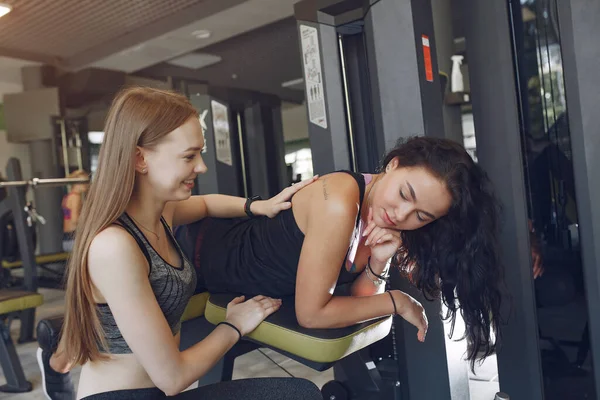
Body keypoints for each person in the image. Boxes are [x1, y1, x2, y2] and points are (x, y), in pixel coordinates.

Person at [36, 87, 322, 400]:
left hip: (158, 390)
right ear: (139, 158)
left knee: (298, 392)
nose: (201, 167)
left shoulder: (162, 213)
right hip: (126, 395)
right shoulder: (114, 246)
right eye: (189, 156)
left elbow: (207, 204)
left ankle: (60, 354)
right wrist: (234, 325)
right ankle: (58, 356)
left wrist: (257, 206)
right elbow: (174, 378)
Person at [176, 136, 504, 371]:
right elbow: (313, 314)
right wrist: (398, 301)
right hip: (192, 250)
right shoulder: (338, 202)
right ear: (393, 164)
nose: (402, 215)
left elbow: (361, 296)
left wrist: (379, 260)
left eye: (421, 216)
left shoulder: (385, 219)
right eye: (405, 194)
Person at [61, 170, 90, 252]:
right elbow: (74, 220)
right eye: (82, 182)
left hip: (67, 239)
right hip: (74, 238)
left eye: (86, 181)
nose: (85, 185)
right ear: (76, 183)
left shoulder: (67, 197)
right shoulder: (75, 197)